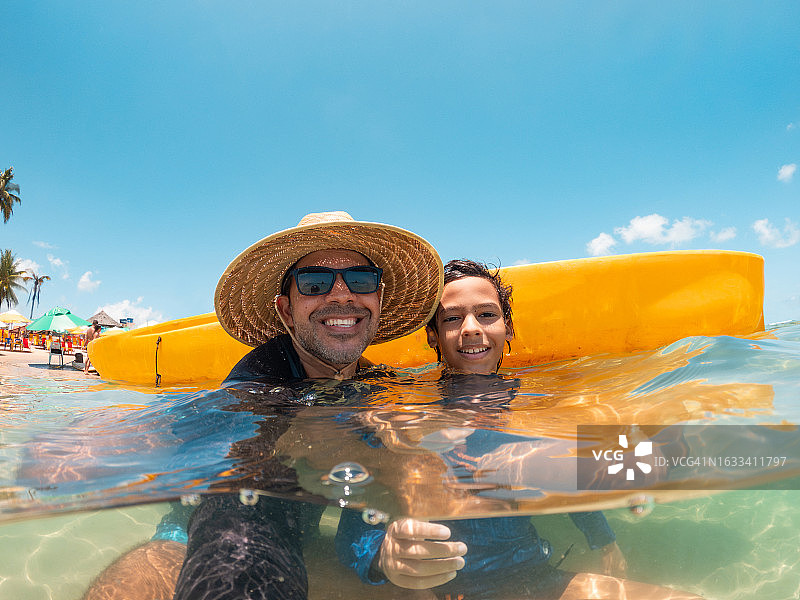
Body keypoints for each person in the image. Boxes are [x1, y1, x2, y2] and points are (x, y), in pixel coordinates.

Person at [83, 210, 443, 600]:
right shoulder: (256, 385)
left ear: (378, 297)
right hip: (210, 526)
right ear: (286, 310)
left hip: (303, 540)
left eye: (360, 279)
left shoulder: (378, 383)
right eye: (315, 282)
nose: (341, 294)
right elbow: (234, 508)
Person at [334, 259, 702, 599]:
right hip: (441, 588)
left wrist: (603, 542)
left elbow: (563, 474)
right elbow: (356, 519)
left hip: (534, 575)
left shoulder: (541, 402)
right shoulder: (405, 411)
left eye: (486, 315)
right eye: (451, 319)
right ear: (432, 335)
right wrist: (382, 557)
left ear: (507, 328)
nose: (472, 330)